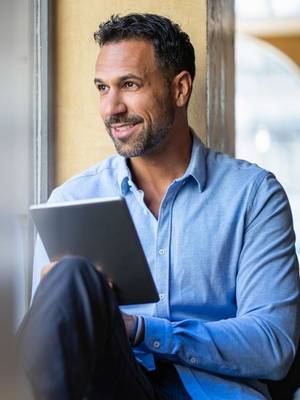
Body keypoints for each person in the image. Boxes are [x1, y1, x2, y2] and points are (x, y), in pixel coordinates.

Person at [18, 13, 300, 400]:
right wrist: (73, 300)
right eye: (103, 88)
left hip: (209, 392)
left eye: (129, 85)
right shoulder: (73, 200)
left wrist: (141, 330)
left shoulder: (253, 195)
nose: (111, 108)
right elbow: (46, 357)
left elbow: (273, 345)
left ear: (180, 89)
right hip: (111, 386)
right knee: (70, 277)